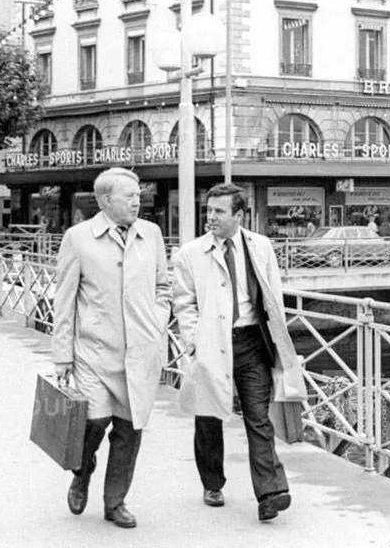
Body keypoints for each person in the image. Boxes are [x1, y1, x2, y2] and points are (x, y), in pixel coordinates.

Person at [172, 183, 305, 522]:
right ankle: (212, 482)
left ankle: (271, 493)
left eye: (219, 211)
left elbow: (273, 295)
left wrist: (279, 339)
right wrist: (194, 340)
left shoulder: (261, 246)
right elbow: (183, 303)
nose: (211, 217)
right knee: (209, 415)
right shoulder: (191, 253)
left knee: (258, 417)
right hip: (212, 340)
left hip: (251, 341)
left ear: (239, 215)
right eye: (209, 210)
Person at [51, 167, 170, 530]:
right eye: (129, 196)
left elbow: (163, 287)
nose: (138, 201)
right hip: (93, 352)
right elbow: (64, 298)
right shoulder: (79, 238)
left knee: (129, 430)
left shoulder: (151, 234)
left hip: (138, 352)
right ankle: (82, 472)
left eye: (139, 195)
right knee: (94, 421)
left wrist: (156, 321)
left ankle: (115, 501)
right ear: (105, 200)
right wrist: (62, 354)